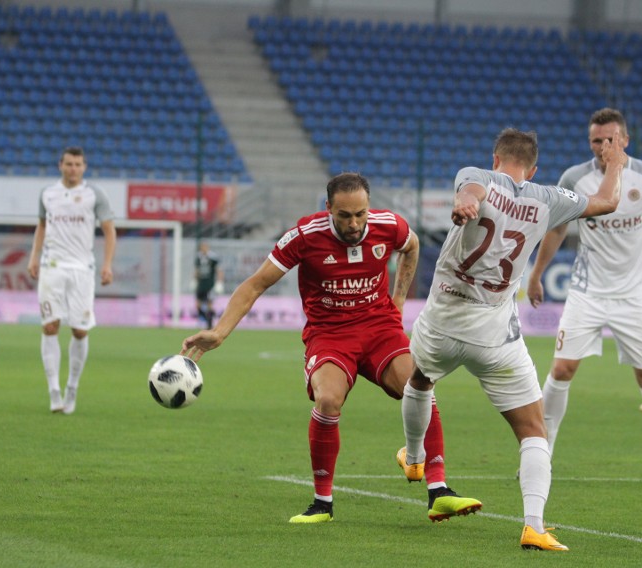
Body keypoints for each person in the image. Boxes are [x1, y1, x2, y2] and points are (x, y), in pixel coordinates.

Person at [181, 172, 481, 524]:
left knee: (421, 384)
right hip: (330, 334)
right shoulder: (305, 236)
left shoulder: (389, 225)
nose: (354, 224)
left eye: (360, 214)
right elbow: (254, 284)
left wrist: (398, 299)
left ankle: (439, 491)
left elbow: (411, 246)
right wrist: (219, 333)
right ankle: (322, 503)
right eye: (344, 216)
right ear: (328, 209)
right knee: (328, 400)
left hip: (379, 328)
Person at [399, 127, 625, 551]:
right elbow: (608, 202)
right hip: (494, 338)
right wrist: (613, 165)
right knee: (533, 430)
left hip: (442, 323)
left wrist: (466, 200)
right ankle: (534, 527)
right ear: (534, 168)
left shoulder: (479, 175)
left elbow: (471, 186)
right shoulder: (551, 197)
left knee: (420, 381)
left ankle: (414, 459)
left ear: (496, 158)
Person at [527, 108, 642, 487]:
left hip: (635, 296)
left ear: (625, 140)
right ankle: (540, 457)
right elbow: (557, 228)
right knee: (562, 369)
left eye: (610, 139)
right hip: (587, 292)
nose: (602, 147)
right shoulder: (574, 179)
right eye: (596, 141)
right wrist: (536, 274)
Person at [27, 147, 117, 414]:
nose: (73, 169)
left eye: (78, 164)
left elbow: (110, 231)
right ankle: (53, 390)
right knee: (50, 326)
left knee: (79, 330)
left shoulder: (94, 194)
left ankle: (72, 387)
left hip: (81, 270)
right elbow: (42, 226)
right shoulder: (47, 193)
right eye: (69, 164)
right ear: (60, 165)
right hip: (51, 267)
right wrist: (34, 257)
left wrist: (107, 264)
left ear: (84, 167)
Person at [194, 241, 224, 329]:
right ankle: (209, 318)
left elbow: (219, 270)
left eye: (205, 247)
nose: (203, 249)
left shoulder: (213, 258)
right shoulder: (198, 258)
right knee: (198, 305)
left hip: (210, 285)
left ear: (207, 248)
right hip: (201, 284)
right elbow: (197, 270)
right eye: (202, 247)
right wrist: (194, 280)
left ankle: (209, 325)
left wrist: (219, 282)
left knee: (209, 304)